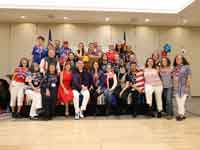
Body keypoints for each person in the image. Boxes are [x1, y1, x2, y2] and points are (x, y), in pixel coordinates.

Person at [172, 55, 192, 121]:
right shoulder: (174, 68)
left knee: (182, 102)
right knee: (178, 102)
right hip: (176, 87)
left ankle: (181, 115)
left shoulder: (187, 67)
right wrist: (174, 86)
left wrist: (187, 87)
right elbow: (173, 77)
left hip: (184, 86)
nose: (178, 60)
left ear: (183, 59)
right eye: (177, 58)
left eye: (180, 58)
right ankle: (180, 114)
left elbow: (189, 78)